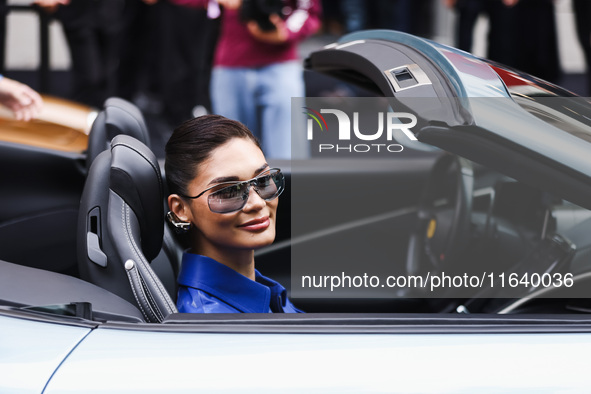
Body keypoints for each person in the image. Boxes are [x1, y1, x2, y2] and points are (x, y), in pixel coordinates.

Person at [165, 114, 302, 313]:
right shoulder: (213, 326)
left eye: (263, 181)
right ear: (180, 210)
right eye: (228, 191)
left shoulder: (259, 291)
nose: (257, 202)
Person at [171, 0, 321, 159]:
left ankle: (287, 184)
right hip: (232, 62)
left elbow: (309, 9)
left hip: (280, 62)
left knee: (288, 154)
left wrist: (286, 32)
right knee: (231, 152)